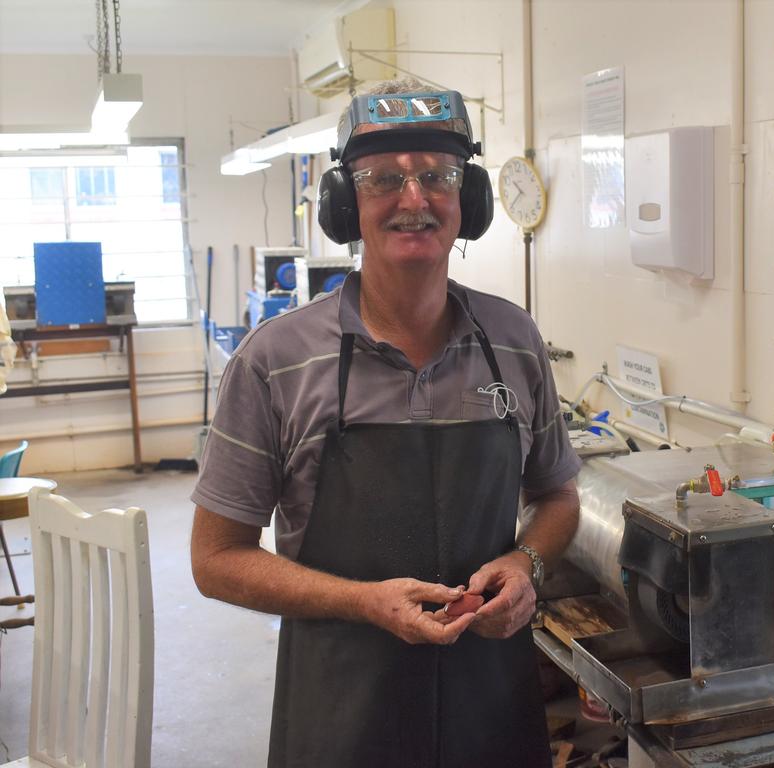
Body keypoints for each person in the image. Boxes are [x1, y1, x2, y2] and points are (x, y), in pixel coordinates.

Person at [190, 78, 581, 768]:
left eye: (437, 175)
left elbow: (557, 495)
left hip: (493, 710)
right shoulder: (273, 361)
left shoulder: (515, 340)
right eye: (381, 179)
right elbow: (215, 559)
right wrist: (364, 601)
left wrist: (529, 562)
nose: (414, 200)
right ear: (346, 205)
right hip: (341, 716)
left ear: (470, 200)